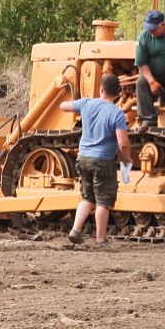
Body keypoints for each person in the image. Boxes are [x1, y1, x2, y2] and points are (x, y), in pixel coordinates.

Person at [59, 74, 133, 245]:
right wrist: (126, 158)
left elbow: (63, 106)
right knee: (103, 202)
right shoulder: (117, 113)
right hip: (102, 161)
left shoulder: (87, 103)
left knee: (87, 198)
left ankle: (75, 230)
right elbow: (123, 143)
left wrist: (79, 105)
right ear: (118, 93)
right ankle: (101, 239)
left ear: (101, 89)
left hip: (83, 158)